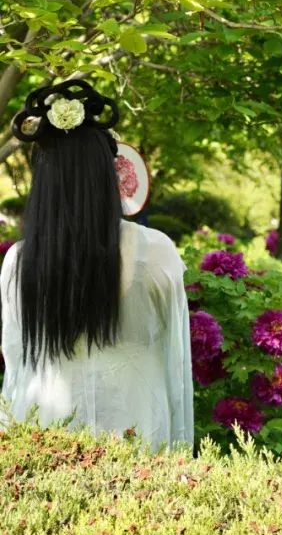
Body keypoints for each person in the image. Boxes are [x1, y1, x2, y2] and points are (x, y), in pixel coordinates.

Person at [0, 80, 193, 450]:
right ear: (108, 175)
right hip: (138, 435)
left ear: (43, 182)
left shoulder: (18, 262)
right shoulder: (156, 252)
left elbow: (16, 364)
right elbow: (176, 363)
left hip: (45, 440)